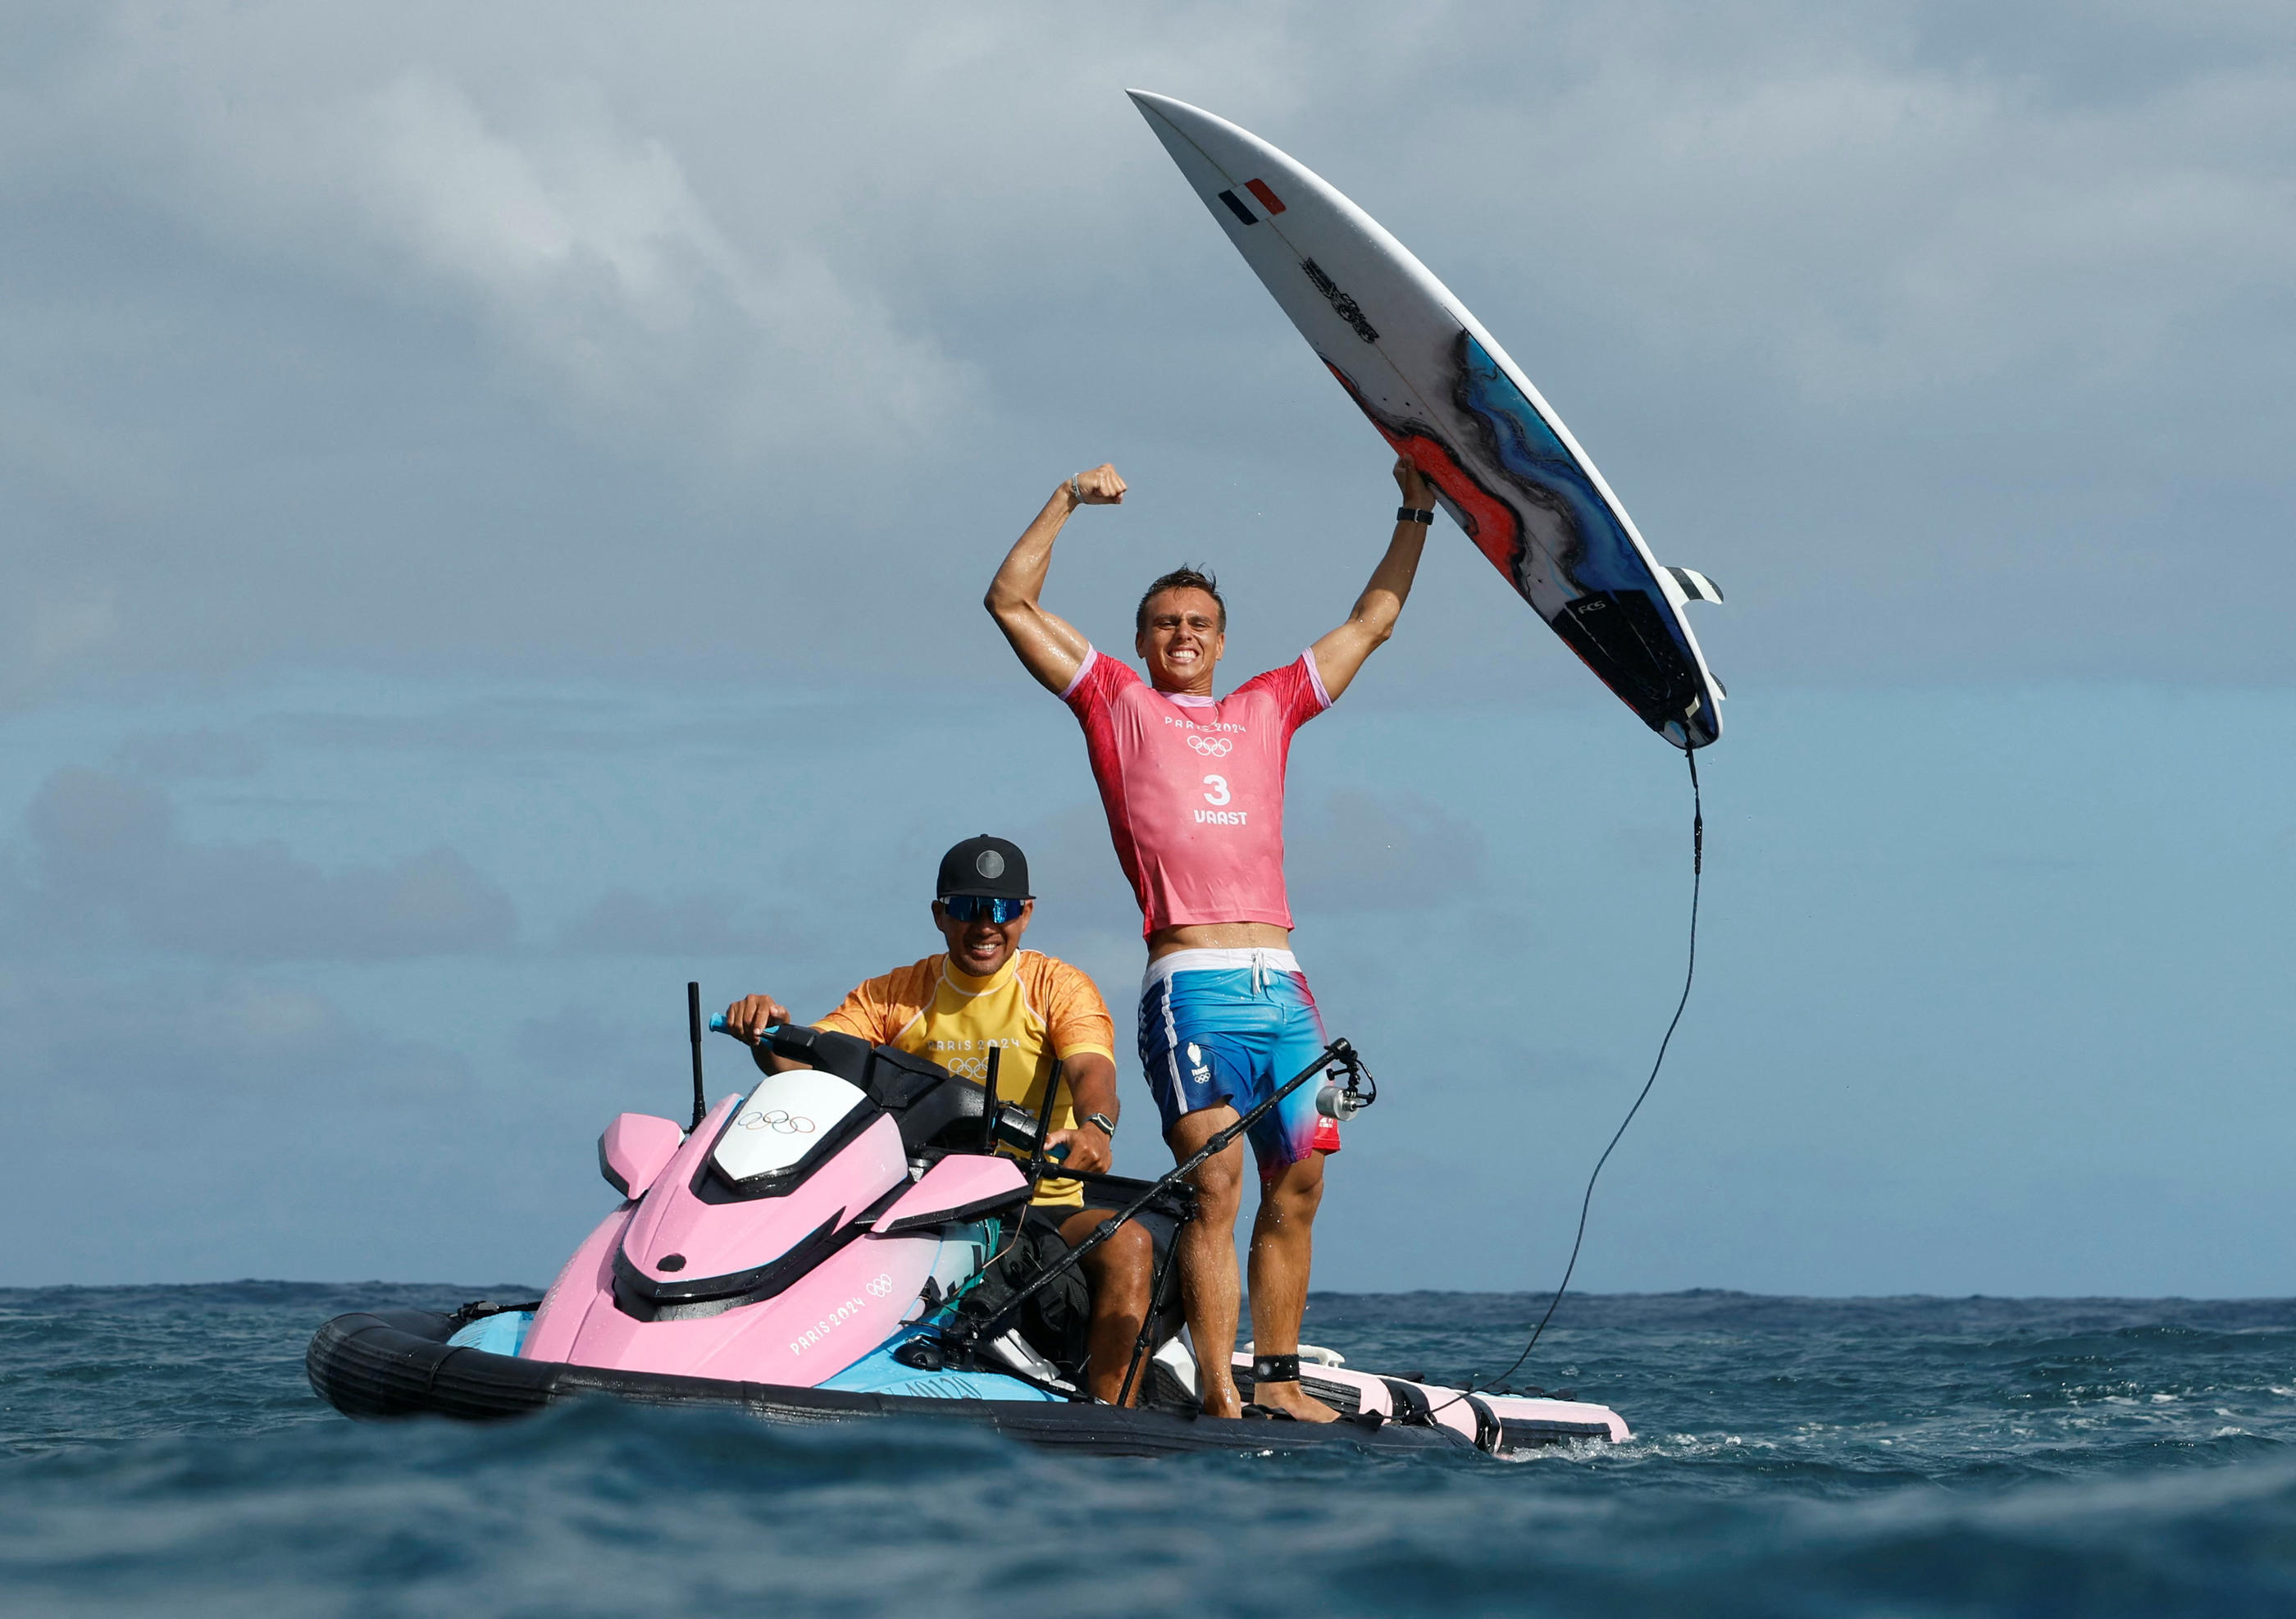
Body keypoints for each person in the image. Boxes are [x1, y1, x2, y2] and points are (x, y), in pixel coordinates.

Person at [983, 458, 1433, 1420]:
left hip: (1284, 983)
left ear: (1222, 641)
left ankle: (1277, 1383)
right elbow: (1010, 601)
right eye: (1164, 623)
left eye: (1197, 623)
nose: (1181, 634)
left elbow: (1372, 622)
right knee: (1217, 1183)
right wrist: (1066, 499)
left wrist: (1416, 506)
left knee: (1301, 1179)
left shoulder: (1267, 707)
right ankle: (1221, 1388)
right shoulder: (1115, 702)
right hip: (1189, 983)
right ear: (1143, 641)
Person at [720, 834, 1153, 1405]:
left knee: (1131, 1243)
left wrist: (1097, 1128)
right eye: (968, 909)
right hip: (924, 1213)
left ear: (1025, 914)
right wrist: (764, 1028)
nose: (985, 926)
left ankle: (1110, 1417)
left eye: (1000, 910)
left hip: (1040, 1210)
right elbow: (805, 1060)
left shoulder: (1058, 987)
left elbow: (1093, 1073)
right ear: (940, 915)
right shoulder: (894, 995)